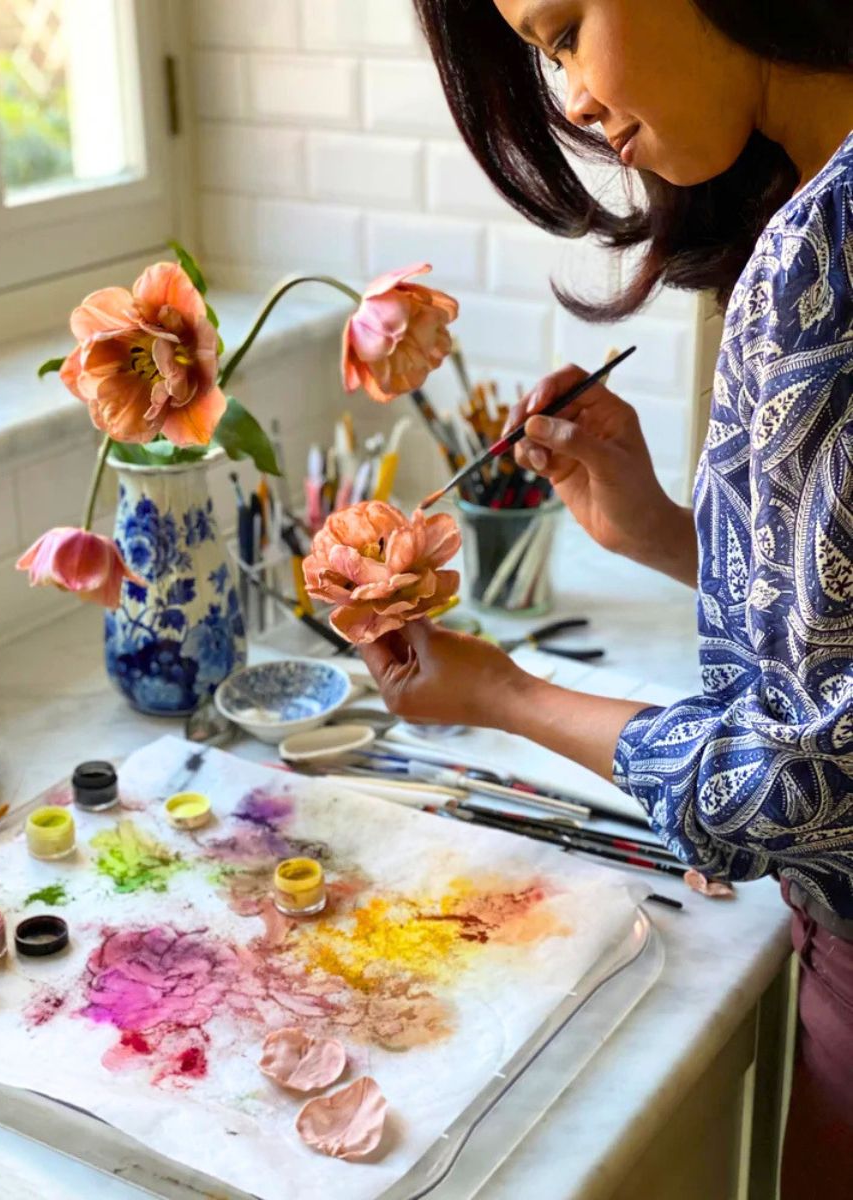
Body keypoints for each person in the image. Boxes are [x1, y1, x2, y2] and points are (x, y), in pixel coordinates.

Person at [357, 2, 853, 1193]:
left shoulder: (818, 265)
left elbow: (804, 783)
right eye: (545, 52)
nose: (573, 96)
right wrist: (672, 537)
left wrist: (504, 694)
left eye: (570, 25)